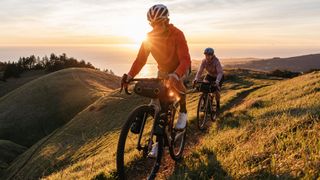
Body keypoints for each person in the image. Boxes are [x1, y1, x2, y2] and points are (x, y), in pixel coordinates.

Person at [121, 4, 191, 157]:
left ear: (166, 20)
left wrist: (176, 74)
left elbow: (185, 60)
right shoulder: (149, 38)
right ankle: (159, 139)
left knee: (175, 87)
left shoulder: (177, 34)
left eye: (159, 23)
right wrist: (129, 75)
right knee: (158, 104)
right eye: (153, 24)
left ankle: (183, 112)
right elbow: (140, 60)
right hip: (164, 70)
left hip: (180, 67)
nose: (156, 27)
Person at [193, 47, 224, 114]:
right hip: (210, 75)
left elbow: (220, 73)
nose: (207, 56)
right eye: (206, 55)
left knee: (216, 91)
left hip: (218, 77)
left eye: (209, 55)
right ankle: (206, 103)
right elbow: (200, 71)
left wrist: (217, 81)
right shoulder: (204, 61)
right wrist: (196, 79)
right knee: (204, 86)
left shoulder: (216, 61)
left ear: (212, 55)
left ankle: (218, 104)